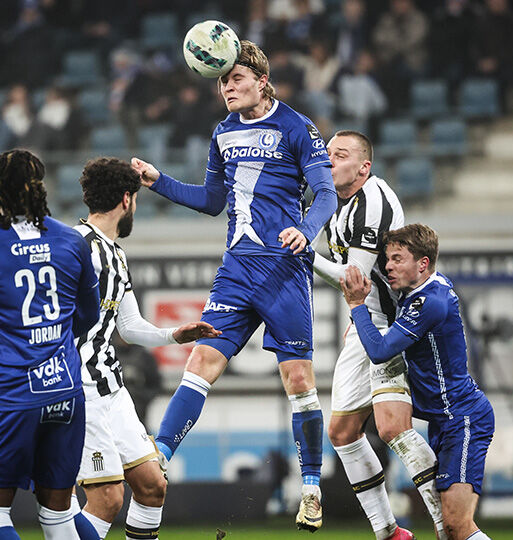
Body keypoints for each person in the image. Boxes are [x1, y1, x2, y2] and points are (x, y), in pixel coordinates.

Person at [131, 39, 338, 531]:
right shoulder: (222, 133)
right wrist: (158, 180)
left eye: (236, 79)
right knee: (201, 361)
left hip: (285, 270)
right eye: (223, 81)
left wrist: (306, 231)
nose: (227, 88)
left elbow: (326, 192)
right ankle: (159, 455)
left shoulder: (297, 126)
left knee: (299, 382)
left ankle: (310, 488)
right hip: (237, 271)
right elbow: (210, 201)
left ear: (262, 82)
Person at [73, 157, 221, 540]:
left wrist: (176, 334)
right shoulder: (73, 248)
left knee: (153, 485)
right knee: (106, 500)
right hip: (79, 392)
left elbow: (130, 327)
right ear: (127, 199)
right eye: (135, 200)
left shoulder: (116, 255)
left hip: (112, 389)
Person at [0, 150, 101, 539]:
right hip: (67, 388)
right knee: (58, 514)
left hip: (14, 392)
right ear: (41, 187)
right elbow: (89, 317)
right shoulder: (71, 240)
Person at [311, 131, 435, 539]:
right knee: (343, 433)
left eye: (339, 154)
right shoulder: (332, 201)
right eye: (326, 153)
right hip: (362, 324)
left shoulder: (374, 202)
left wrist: (303, 254)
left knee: (392, 428)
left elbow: (356, 280)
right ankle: (389, 532)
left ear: (363, 167)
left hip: (392, 325)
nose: (329, 160)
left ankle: (447, 524)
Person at [340, 223, 494, 540]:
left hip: (463, 419)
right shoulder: (420, 292)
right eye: (387, 259)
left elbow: (381, 351)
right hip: (443, 421)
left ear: (422, 264)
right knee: (448, 530)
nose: (388, 266)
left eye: (397, 258)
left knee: (455, 524)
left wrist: (357, 307)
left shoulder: (429, 303)